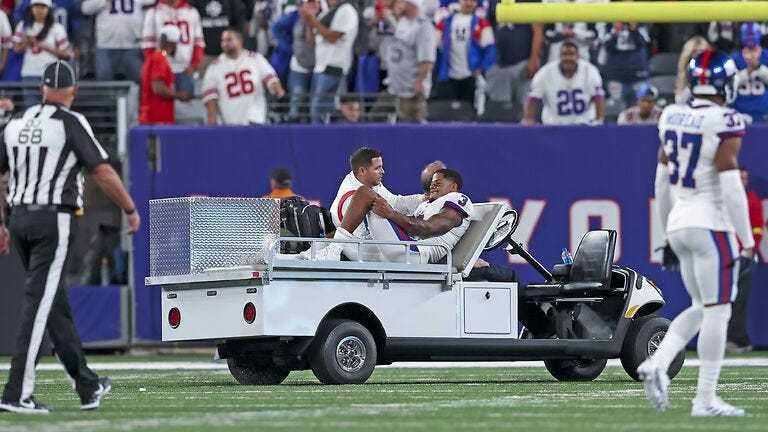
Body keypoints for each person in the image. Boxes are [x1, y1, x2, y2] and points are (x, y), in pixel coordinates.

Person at [0, 61, 140, 414]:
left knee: (54, 304)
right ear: (73, 91)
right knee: (39, 303)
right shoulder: (70, 121)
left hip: (18, 219)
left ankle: (87, 384)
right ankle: (16, 392)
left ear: (42, 89)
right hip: (52, 220)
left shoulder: (15, 122)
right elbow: (102, 171)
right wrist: (129, 208)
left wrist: (2, 222)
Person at [639, 49, 752, 417]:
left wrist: (665, 233)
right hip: (711, 224)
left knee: (703, 307)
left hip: (680, 222)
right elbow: (730, 185)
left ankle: (658, 363)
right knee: (718, 311)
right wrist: (747, 238)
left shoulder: (672, 114)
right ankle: (705, 398)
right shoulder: (725, 119)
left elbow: (661, 182)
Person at [202, 27, 285, 125]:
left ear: (240, 41)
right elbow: (210, 96)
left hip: (255, 119)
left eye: (229, 40)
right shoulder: (214, 67)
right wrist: (212, 117)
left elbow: (271, 78)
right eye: (223, 40)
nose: (225, 43)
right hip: (230, 122)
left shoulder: (256, 59)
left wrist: (276, 88)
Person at [299, 0, 359, 123]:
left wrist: (313, 21)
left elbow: (332, 37)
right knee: (318, 110)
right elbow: (311, 41)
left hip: (334, 66)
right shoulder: (326, 13)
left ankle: (326, 134)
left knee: (320, 110)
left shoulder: (347, 11)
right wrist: (308, 22)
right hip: (320, 67)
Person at [485, 0, 543, 122]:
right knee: (500, 111)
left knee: (526, 110)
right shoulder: (494, 2)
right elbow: (488, 28)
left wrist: (534, 59)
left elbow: (538, 30)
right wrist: (488, 60)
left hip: (523, 62)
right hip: (499, 64)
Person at [726, 167, 764, 353]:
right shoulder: (724, 199)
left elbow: (757, 229)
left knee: (739, 301)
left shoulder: (752, 200)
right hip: (726, 256)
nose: (743, 181)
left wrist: (748, 251)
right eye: (739, 177)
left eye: (745, 178)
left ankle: (737, 339)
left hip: (743, 258)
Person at [522, 41, 605, 125]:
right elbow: (533, 99)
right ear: (559, 56)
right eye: (564, 54)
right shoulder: (545, 73)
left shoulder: (590, 71)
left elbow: (598, 97)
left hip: (584, 125)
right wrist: (528, 119)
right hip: (553, 125)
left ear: (578, 56)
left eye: (571, 54)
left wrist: (599, 120)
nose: (568, 58)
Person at [434, 0, 496, 103]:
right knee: (447, 108)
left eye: (472, 1)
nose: (469, 3)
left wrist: (481, 68)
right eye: (466, 0)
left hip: (471, 76)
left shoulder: (482, 24)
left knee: (470, 108)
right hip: (448, 76)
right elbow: (434, 46)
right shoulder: (445, 22)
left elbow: (490, 49)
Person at [12, 0, 71, 107]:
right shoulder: (23, 26)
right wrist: (27, 42)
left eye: (43, 7)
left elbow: (66, 54)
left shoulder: (57, 28)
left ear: (49, 9)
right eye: (36, 6)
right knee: (31, 109)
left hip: (51, 75)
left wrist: (43, 45)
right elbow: (16, 48)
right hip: (29, 73)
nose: (39, 10)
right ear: (31, 8)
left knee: (51, 109)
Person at [141, 0, 205, 98]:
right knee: (162, 101)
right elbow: (148, 45)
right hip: (162, 68)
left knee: (186, 101)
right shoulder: (153, 12)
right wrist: (155, 66)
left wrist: (194, 65)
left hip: (184, 69)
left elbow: (198, 42)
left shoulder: (192, 12)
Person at [386, 0, 436, 123]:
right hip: (398, 88)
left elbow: (427, 61)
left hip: (412, 90)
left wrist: (419, 82)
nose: (395, 5)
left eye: (398, 2)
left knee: (413, 127)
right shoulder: (402, 21)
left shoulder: (423, 26)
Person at [81, 0, 149, 82]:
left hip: (132, 45)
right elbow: (85, 8)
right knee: (104, 83)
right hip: (105, 45)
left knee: (139, 81)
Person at [140, 25, 192, 124]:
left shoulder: (154, 57)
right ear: (172, 43)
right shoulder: (160, 59)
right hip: (158, 118)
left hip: (151, 116)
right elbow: (157, 88)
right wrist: (180, 95)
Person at [731, 23, 768, 124]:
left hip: (764, 113)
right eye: (747, 34)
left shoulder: (766, 55)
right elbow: (729, 85)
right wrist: (747, 72)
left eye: (752, 34)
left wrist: (759, 67)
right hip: (739, 112)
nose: (750, 37)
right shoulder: (734, 58)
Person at [674, 36, 709, 104]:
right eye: (695, 52)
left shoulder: (714, 74)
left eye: (702, 52)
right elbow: (679, 102)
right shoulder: (683, 75)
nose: (699, 55)